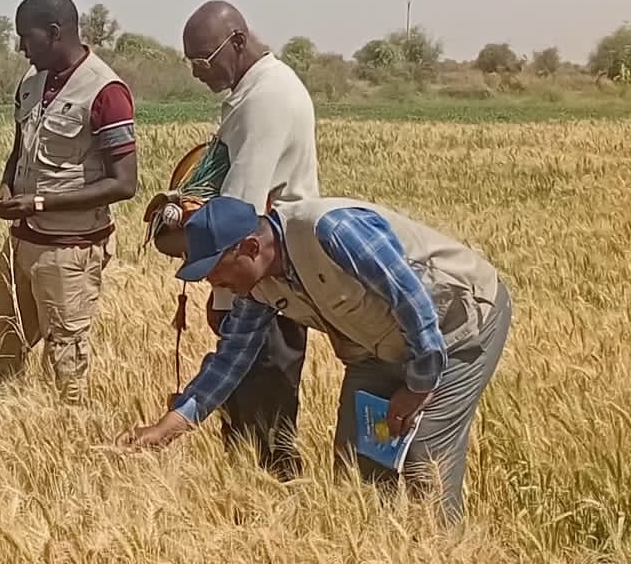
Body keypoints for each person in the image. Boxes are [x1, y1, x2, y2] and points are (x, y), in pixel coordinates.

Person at [119, 195, 513, 524]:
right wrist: (168, 426)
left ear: (251, 248)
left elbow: (412, 303)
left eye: (214, 268)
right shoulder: (258, 285)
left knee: (426, 460)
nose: (210, 282)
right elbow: (229, 360)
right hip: (374, 349)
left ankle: (444, 547)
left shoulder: (334, 232)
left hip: (456, 327)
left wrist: (417, 387)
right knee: (358, 462)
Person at [141, 0, 319, 480]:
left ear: (237, 41)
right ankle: (248, 513)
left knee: (265, 421)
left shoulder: (267, 99)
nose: (198, 72)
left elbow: (238, 218)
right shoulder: (255, 91)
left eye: (203, 60)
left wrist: (178, 228)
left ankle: (279, 518)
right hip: (253, 279)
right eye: (191, 63)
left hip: (267, 284)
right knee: (243, 424)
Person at [0, 0, 139, 405]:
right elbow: (18, 151)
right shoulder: (31, 86)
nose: (21, 49)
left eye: (25, 38)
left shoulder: (106, 92)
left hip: (69, 251)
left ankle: (66, 442)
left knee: (64, 365)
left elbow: (124, 183)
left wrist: (41, 203)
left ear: (54, 33)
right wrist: (7, 187)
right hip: (22, 243)